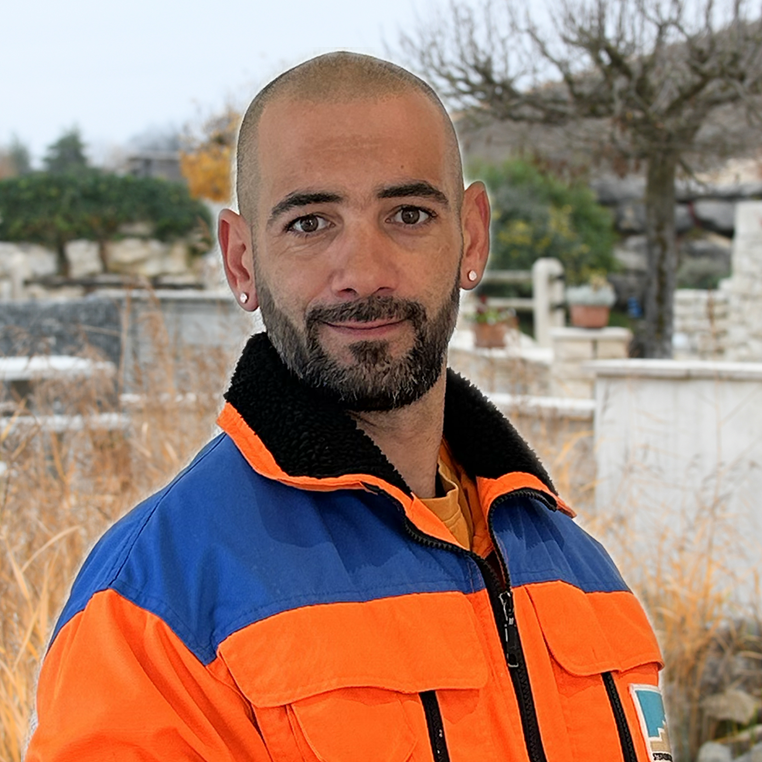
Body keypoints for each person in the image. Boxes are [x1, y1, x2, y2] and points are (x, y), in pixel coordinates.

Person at [27, 52, 671, 762]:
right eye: (310, 223)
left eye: (408, 215)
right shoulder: (153, 606)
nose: (364, 273)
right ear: (242, 260)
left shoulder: (584, 575)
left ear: (473, 235)